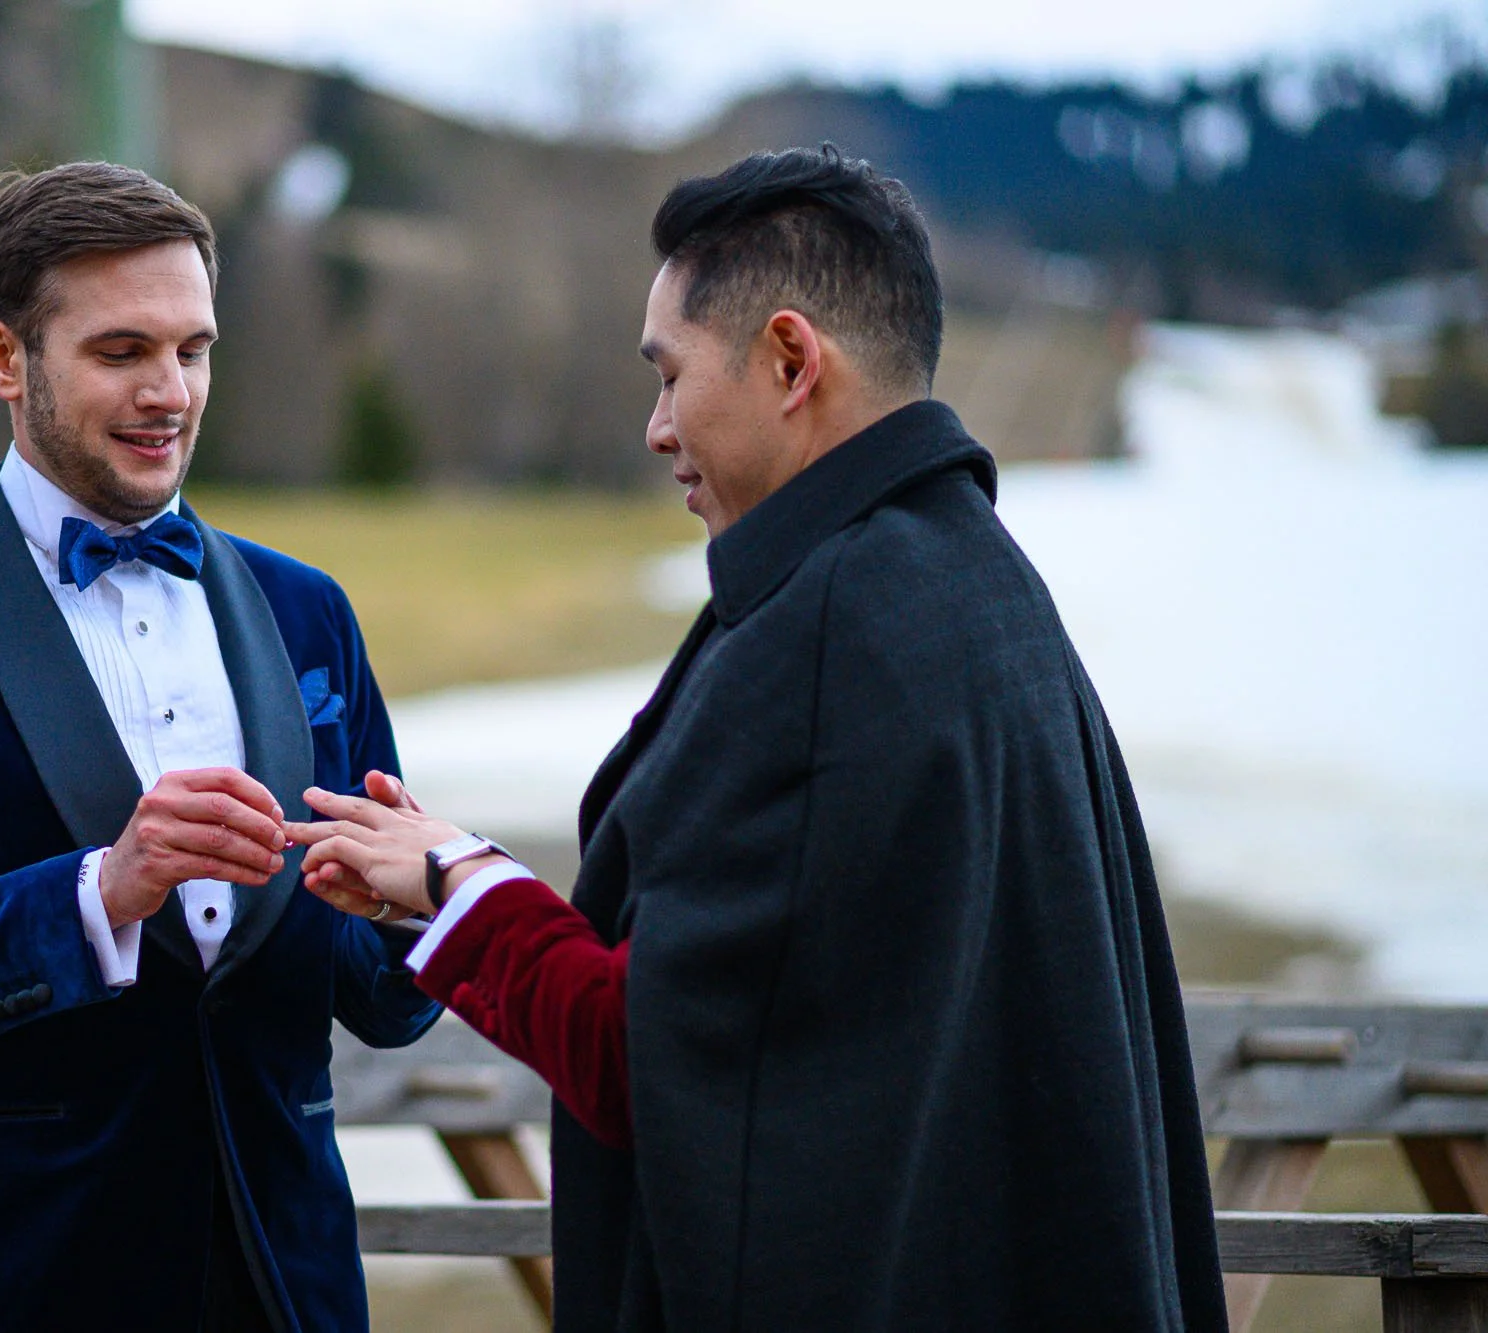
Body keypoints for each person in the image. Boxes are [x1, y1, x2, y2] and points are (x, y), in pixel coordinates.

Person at [289, 146, 1229, 1331]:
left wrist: (455, 883)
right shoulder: (968, 575)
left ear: (790, 359)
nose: (654, 427)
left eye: (669, 376)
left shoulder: (829, 635)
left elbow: (656, 1064)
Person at [0, 162, 439, 1331]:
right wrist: (97, 895)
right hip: (7, 1285)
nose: (169, 391)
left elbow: (377, 1001)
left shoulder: (306, 607)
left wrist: (417, 908)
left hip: (285, 1283)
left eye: (193, 349)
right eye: (121, 352)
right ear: (2, 357)